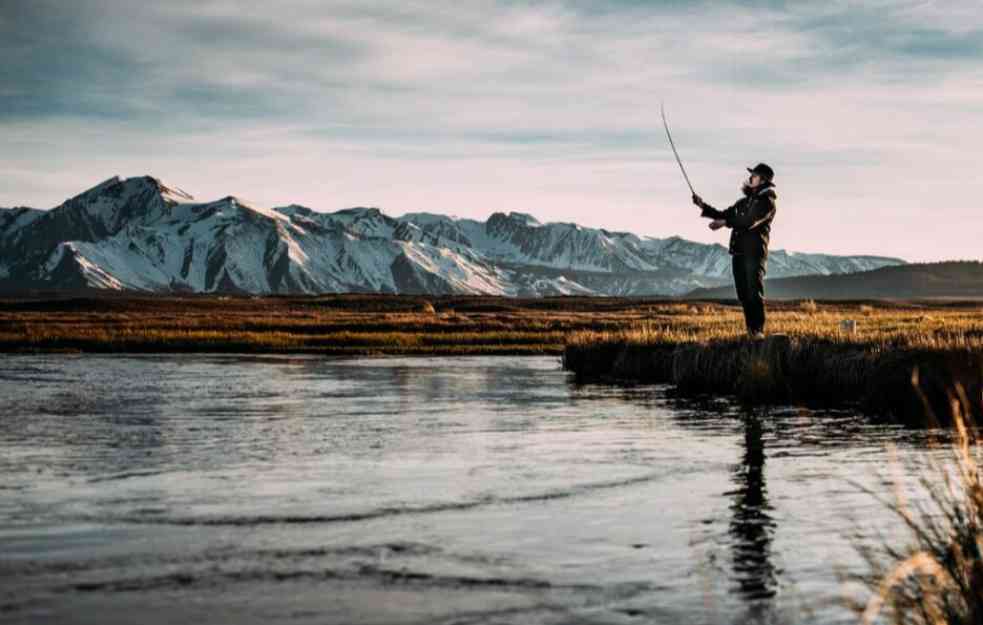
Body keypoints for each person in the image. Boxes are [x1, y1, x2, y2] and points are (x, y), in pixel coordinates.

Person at [692, 163, 777, 339]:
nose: (750, 178)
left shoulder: (767, 202)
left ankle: (758, 331)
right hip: (739, 253)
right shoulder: (744, 201)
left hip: (754, 254)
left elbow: (749, 221)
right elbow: (725, 214)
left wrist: (725, 223)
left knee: (754, 292)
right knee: (744, 294)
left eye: (753, 175)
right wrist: (702, 206)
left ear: (762, 180)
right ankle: (751, 332)